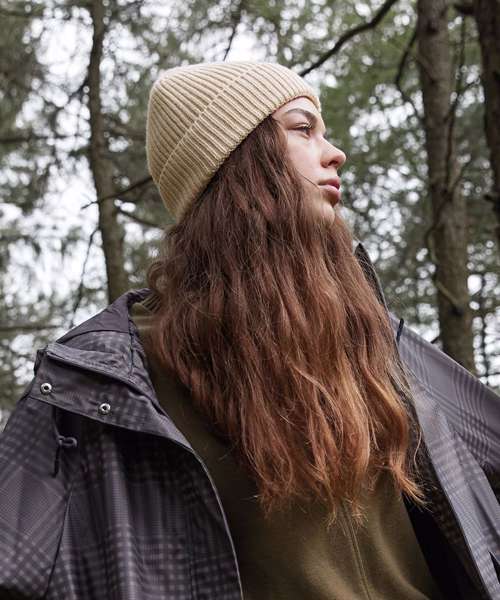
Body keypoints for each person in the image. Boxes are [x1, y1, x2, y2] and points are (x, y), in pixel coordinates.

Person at [0, 61, 498, 600]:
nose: (335, 153)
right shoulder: (104, 378)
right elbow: (16, 565)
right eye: (303, 129)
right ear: (239, 160)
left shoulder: (372, 333)